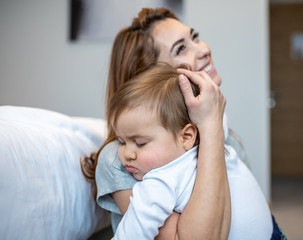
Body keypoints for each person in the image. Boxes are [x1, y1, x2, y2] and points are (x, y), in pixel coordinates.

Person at [81, 8, 286, 239]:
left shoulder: (220, 130)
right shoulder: (122, 161)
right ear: (153, 78)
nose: (204, 49)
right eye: (181, 48)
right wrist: (211, 128)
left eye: (195, 36)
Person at [107, 63, 276, 240]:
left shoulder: (161, 182)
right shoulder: (213, 135)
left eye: (140, 143)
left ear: (187, 136)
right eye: (121, 141)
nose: (128, 154)